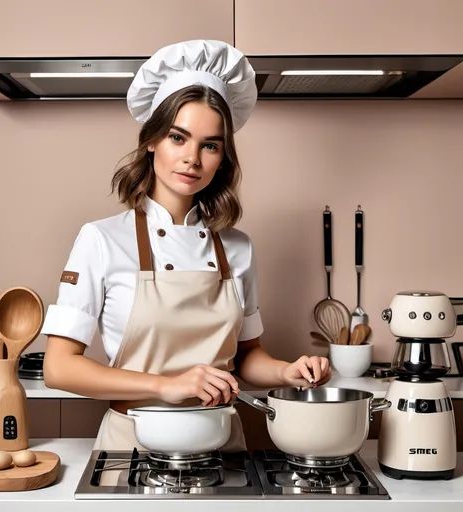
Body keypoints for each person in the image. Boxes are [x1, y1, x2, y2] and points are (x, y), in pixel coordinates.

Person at [41, 40, 331, 452]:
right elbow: (59, 368)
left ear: (222, 158)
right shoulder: (102, 240)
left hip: (222, 446)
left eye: (210, 145)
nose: (192, 158)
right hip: (133, 446)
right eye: (178, 138)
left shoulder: (238, 248)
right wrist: (167, 385)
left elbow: (246, 358)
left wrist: (288, 371)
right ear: (152, 140)